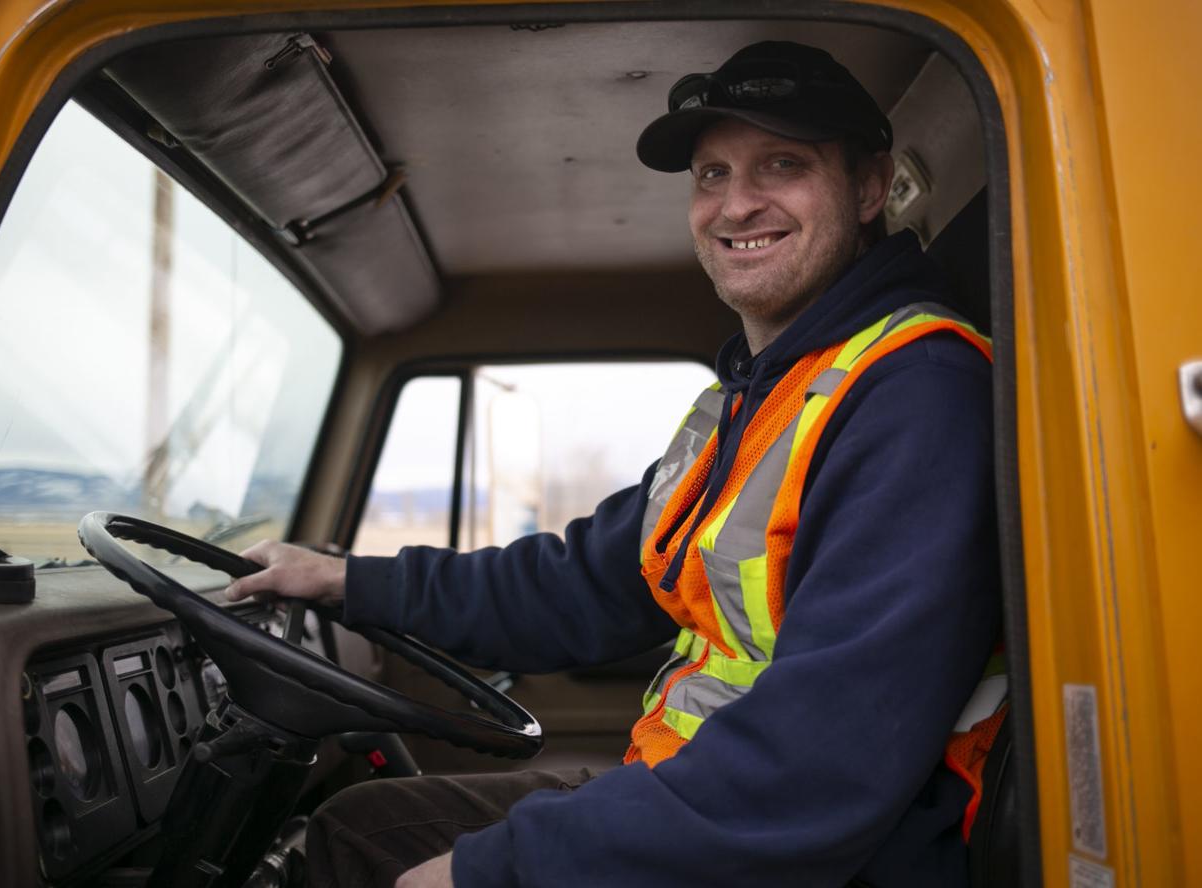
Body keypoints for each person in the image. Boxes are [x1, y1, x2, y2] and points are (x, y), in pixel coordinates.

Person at [226, 41, 1002, 888]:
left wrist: (492, 874)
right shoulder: (761, 399)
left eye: (782, 165)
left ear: (865, 186)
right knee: (363, 829)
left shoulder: (914, 394)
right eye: (711, 175)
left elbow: (822, 759)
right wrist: (349, 583)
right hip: (702, 794)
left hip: (824, 858)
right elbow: (580, 586)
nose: (736, 205)